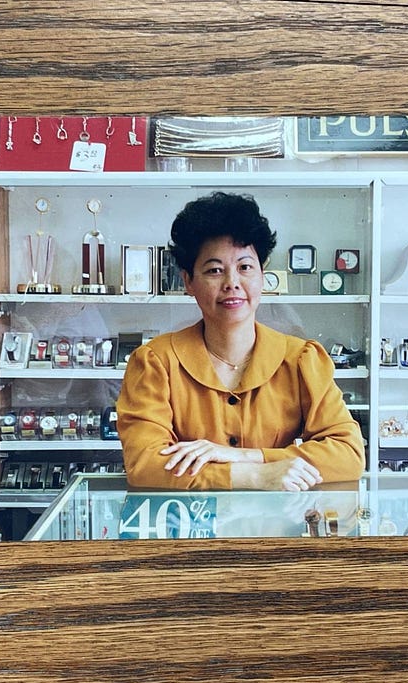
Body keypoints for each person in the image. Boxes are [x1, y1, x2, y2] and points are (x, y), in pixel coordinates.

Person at [116, 191, 366, 491]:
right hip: (190, 530)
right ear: (188, 282)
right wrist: (254, 476)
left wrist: (247, 456)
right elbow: (145, 464)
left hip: (277, 529)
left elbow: (348, 454)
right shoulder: (156, 362)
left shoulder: (300, 359)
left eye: (245, 267)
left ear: (263, 274)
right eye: (214, 270)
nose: (232, 282)